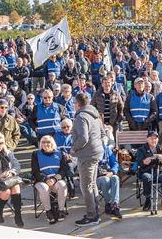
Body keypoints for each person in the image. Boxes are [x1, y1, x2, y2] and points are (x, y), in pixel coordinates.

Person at [71, 93, 106, 227]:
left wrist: (74, 148)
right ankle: (95, 212)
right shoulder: (95, 115)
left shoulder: (81, 117)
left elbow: (84, 139)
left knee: (86, 186)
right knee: (92, 184)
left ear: (77, 104)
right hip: (96, 153)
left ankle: (92, 215)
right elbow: (103, 134)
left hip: (86, 155)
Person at [31, 135, 69, 223]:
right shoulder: (36, 154)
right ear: (40, 144)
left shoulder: (60, 153)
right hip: (41, 181)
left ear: (52, 143)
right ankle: (48, 211)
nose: (46, 144)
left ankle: (61, 210)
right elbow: (35, 171)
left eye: (48, 142)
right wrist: (46, 180)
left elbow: (63, 170)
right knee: (44, 188)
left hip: (56, 180)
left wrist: (54, 179)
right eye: (43, 142)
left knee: (62, 185)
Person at [136, 131, 162, 210]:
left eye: (155, 138)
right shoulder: (142, 149)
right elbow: (140, 162)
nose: (154, 140)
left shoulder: (161, 148)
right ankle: (148, 199)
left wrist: (161, 157)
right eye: (152, 138)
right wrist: (148, 159)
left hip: (160, 171)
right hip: (147, 171)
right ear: (147, 139)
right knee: (146, 177)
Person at [96, 142, 122, 218]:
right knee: (105, 180)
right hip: (95, 178)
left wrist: (112, 172)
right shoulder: (91, 149)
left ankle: (115, 205)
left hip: (107, 174)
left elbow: (115, 163)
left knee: (115, 178)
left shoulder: (106, 149)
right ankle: (108, 203)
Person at [55, 118, 76, 197]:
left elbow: (78, 148)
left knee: (69, 165)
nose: (66, 128)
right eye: (64, 127)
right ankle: (71, 189)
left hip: (74, 158)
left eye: (68, 126)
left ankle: (70, 189)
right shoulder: (57, 135)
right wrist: (62, 154)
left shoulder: (75, 135)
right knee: (67, 165)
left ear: (71, 127)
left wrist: (70, 156)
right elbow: (55, 148)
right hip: (61, 158)